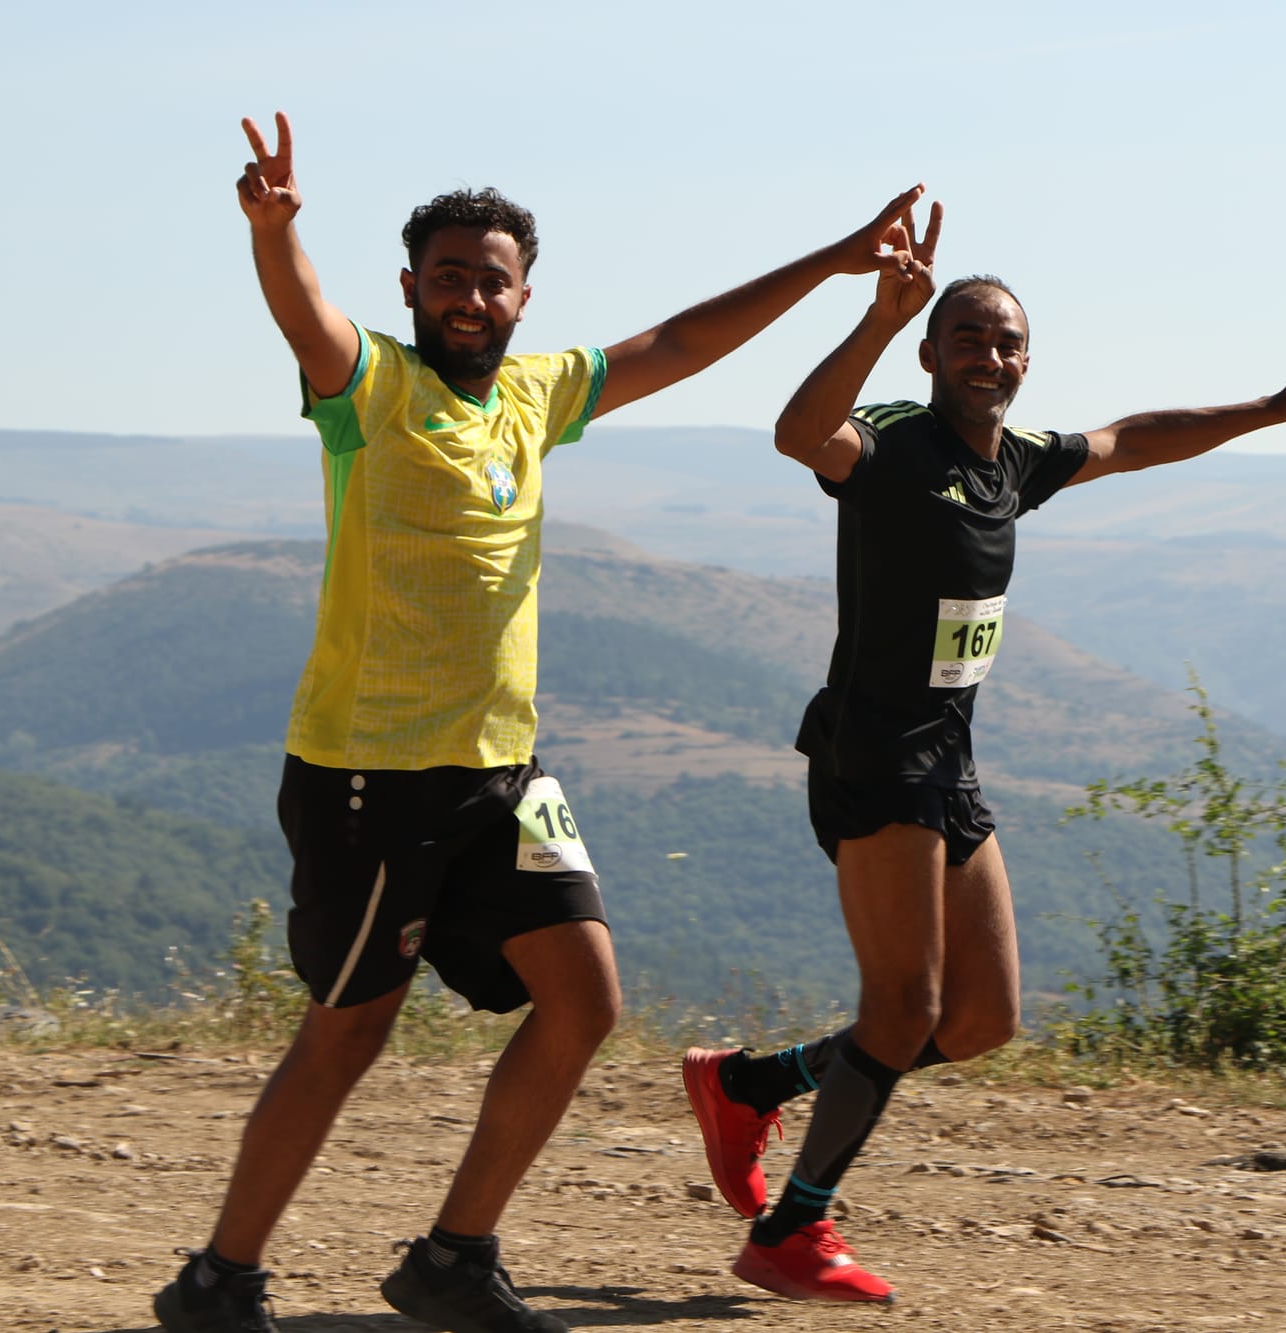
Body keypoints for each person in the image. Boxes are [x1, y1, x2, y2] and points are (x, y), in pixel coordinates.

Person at [154, 111, 929, 1333]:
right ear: (409, 289)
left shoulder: (537, 392)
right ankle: (220, 1277)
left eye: (491, 279)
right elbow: (306, 321)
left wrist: (832, 261)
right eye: (446, 276)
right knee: (348, 1034)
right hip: (373, 773)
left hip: (502, 770)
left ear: (523, 297)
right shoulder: (371, 389)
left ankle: (453, 1258)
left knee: (584, 998)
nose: (469, 297)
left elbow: (683, 340)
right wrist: (275, 233)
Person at [683, 202, 1286, 1302]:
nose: (988, 358)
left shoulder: (1016, 462)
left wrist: (1275, 409)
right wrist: (875, 316)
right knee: (902, 1008)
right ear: (929, 356)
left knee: (981, 1019)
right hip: (874, 755)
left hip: (949, 761)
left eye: (1006, 343)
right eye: (967, 339)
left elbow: (1134, 438)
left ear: (1026, 363)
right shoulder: (893, 442)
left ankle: (751, 1084)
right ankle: (791, 1229)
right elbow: (801, 434)